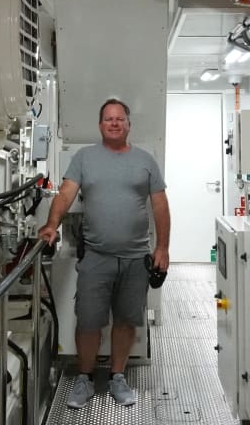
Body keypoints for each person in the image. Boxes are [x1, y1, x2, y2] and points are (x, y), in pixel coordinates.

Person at [38, 98, 171, 408]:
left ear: (128, 124)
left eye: (120, 119)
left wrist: (162, 248)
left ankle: (117, 377)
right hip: (96, 257)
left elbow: (160, 205)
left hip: (136, 257)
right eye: (109, 119)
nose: (114, 123)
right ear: (100, 125)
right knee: (88, 321)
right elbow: (65, 194)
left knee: (126, 320)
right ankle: (84, 378)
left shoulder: (145, 160)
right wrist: (51, 225)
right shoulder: (84, 158)